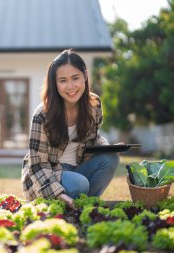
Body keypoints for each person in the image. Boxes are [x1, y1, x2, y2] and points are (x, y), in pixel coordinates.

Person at [21, 49, 120, 209]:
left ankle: (82, 207)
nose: (71, 86)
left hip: (77, 169)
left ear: (85, 76)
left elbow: (93, 138)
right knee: (78, 184)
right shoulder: (43, 114)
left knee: (111, 159)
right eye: (63, 80)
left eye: (75, 78)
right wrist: (57, 193)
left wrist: (108, 147)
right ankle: (63, 203)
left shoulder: (94, 105)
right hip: (46, 175)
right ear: (55, 83)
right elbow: (37, 164)